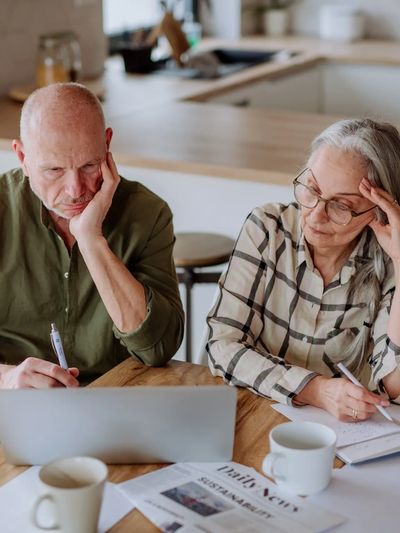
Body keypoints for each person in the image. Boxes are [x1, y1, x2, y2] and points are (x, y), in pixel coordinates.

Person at [207, 118, 400, 422]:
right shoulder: (268, 229)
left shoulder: (389, 262)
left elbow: (392, 386)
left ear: (376, 211)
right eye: (311, 189)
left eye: (341, 206)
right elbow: (222, 346)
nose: (315, 215)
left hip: (344, 435)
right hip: (252, 411)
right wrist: (316, 390)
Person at [0, 82, 184, 388]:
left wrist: (90, 239)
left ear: (107, 144)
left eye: (89, 165)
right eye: (54, 170)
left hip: (113, 399)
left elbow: (157, 348)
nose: (76, 190)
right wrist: (7, 378)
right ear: (22, 157)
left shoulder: (147, 213)